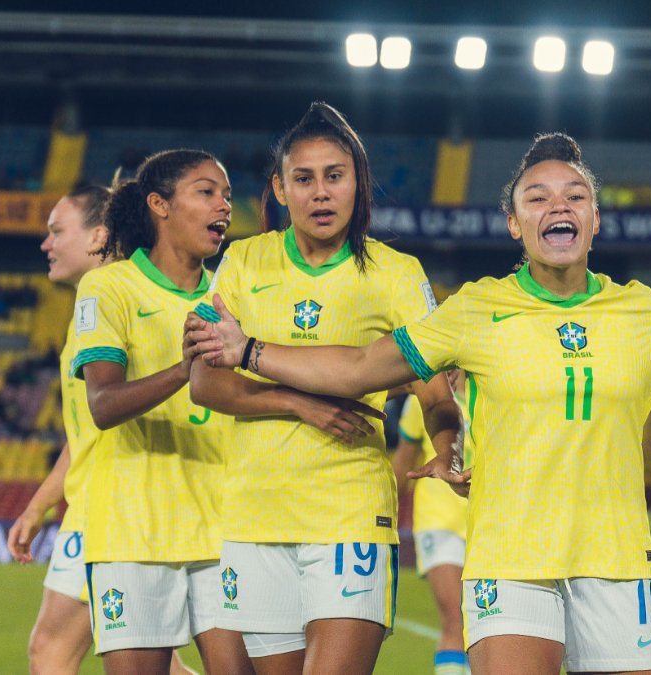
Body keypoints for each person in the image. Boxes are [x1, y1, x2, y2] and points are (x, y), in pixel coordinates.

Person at [185, 132, 651, 675]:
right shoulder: (473, 311)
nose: (558, 204)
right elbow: (359, 366)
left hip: (617, 559)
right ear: (514, 224)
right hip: (511, 562)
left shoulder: (641, 313)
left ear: (594, 221)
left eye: (575, 195)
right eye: (538, 196)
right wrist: (248, 350)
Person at [187, 101, 461, 675]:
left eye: (334, 177)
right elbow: (206, 386)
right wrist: (298, 403)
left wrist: (446, 445)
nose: (320, 193)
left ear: (357, 183)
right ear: (280, 189)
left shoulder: (396, 273)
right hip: (254, 514)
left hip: (349, 509)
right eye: (303, 179)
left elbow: (433, 386)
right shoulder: (240, 262)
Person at [72, 149, 251, 675]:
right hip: (133, 531)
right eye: (206, 191)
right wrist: (183, 369)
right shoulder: (108, 288)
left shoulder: (233, 297)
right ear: (160, 204)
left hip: (226, 531)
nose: (224, 206)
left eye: (228, 196)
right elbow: (103, 405)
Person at [6, 184, 195, 675]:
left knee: (51, 650)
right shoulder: (92, 309)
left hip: (112, 509)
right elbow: (88, 429)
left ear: (100, 235)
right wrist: (39, 504)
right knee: (158, 660)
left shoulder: (117, 300)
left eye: (56, 231)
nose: (46, 244)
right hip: (102, 504)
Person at [390, 369, 471, 675]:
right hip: (437, 518)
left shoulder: (491, 394)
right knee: (455, 618)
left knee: (484, 622)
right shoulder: (422, 401)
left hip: (485, 520)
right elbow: (404, 461)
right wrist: (388, 517)